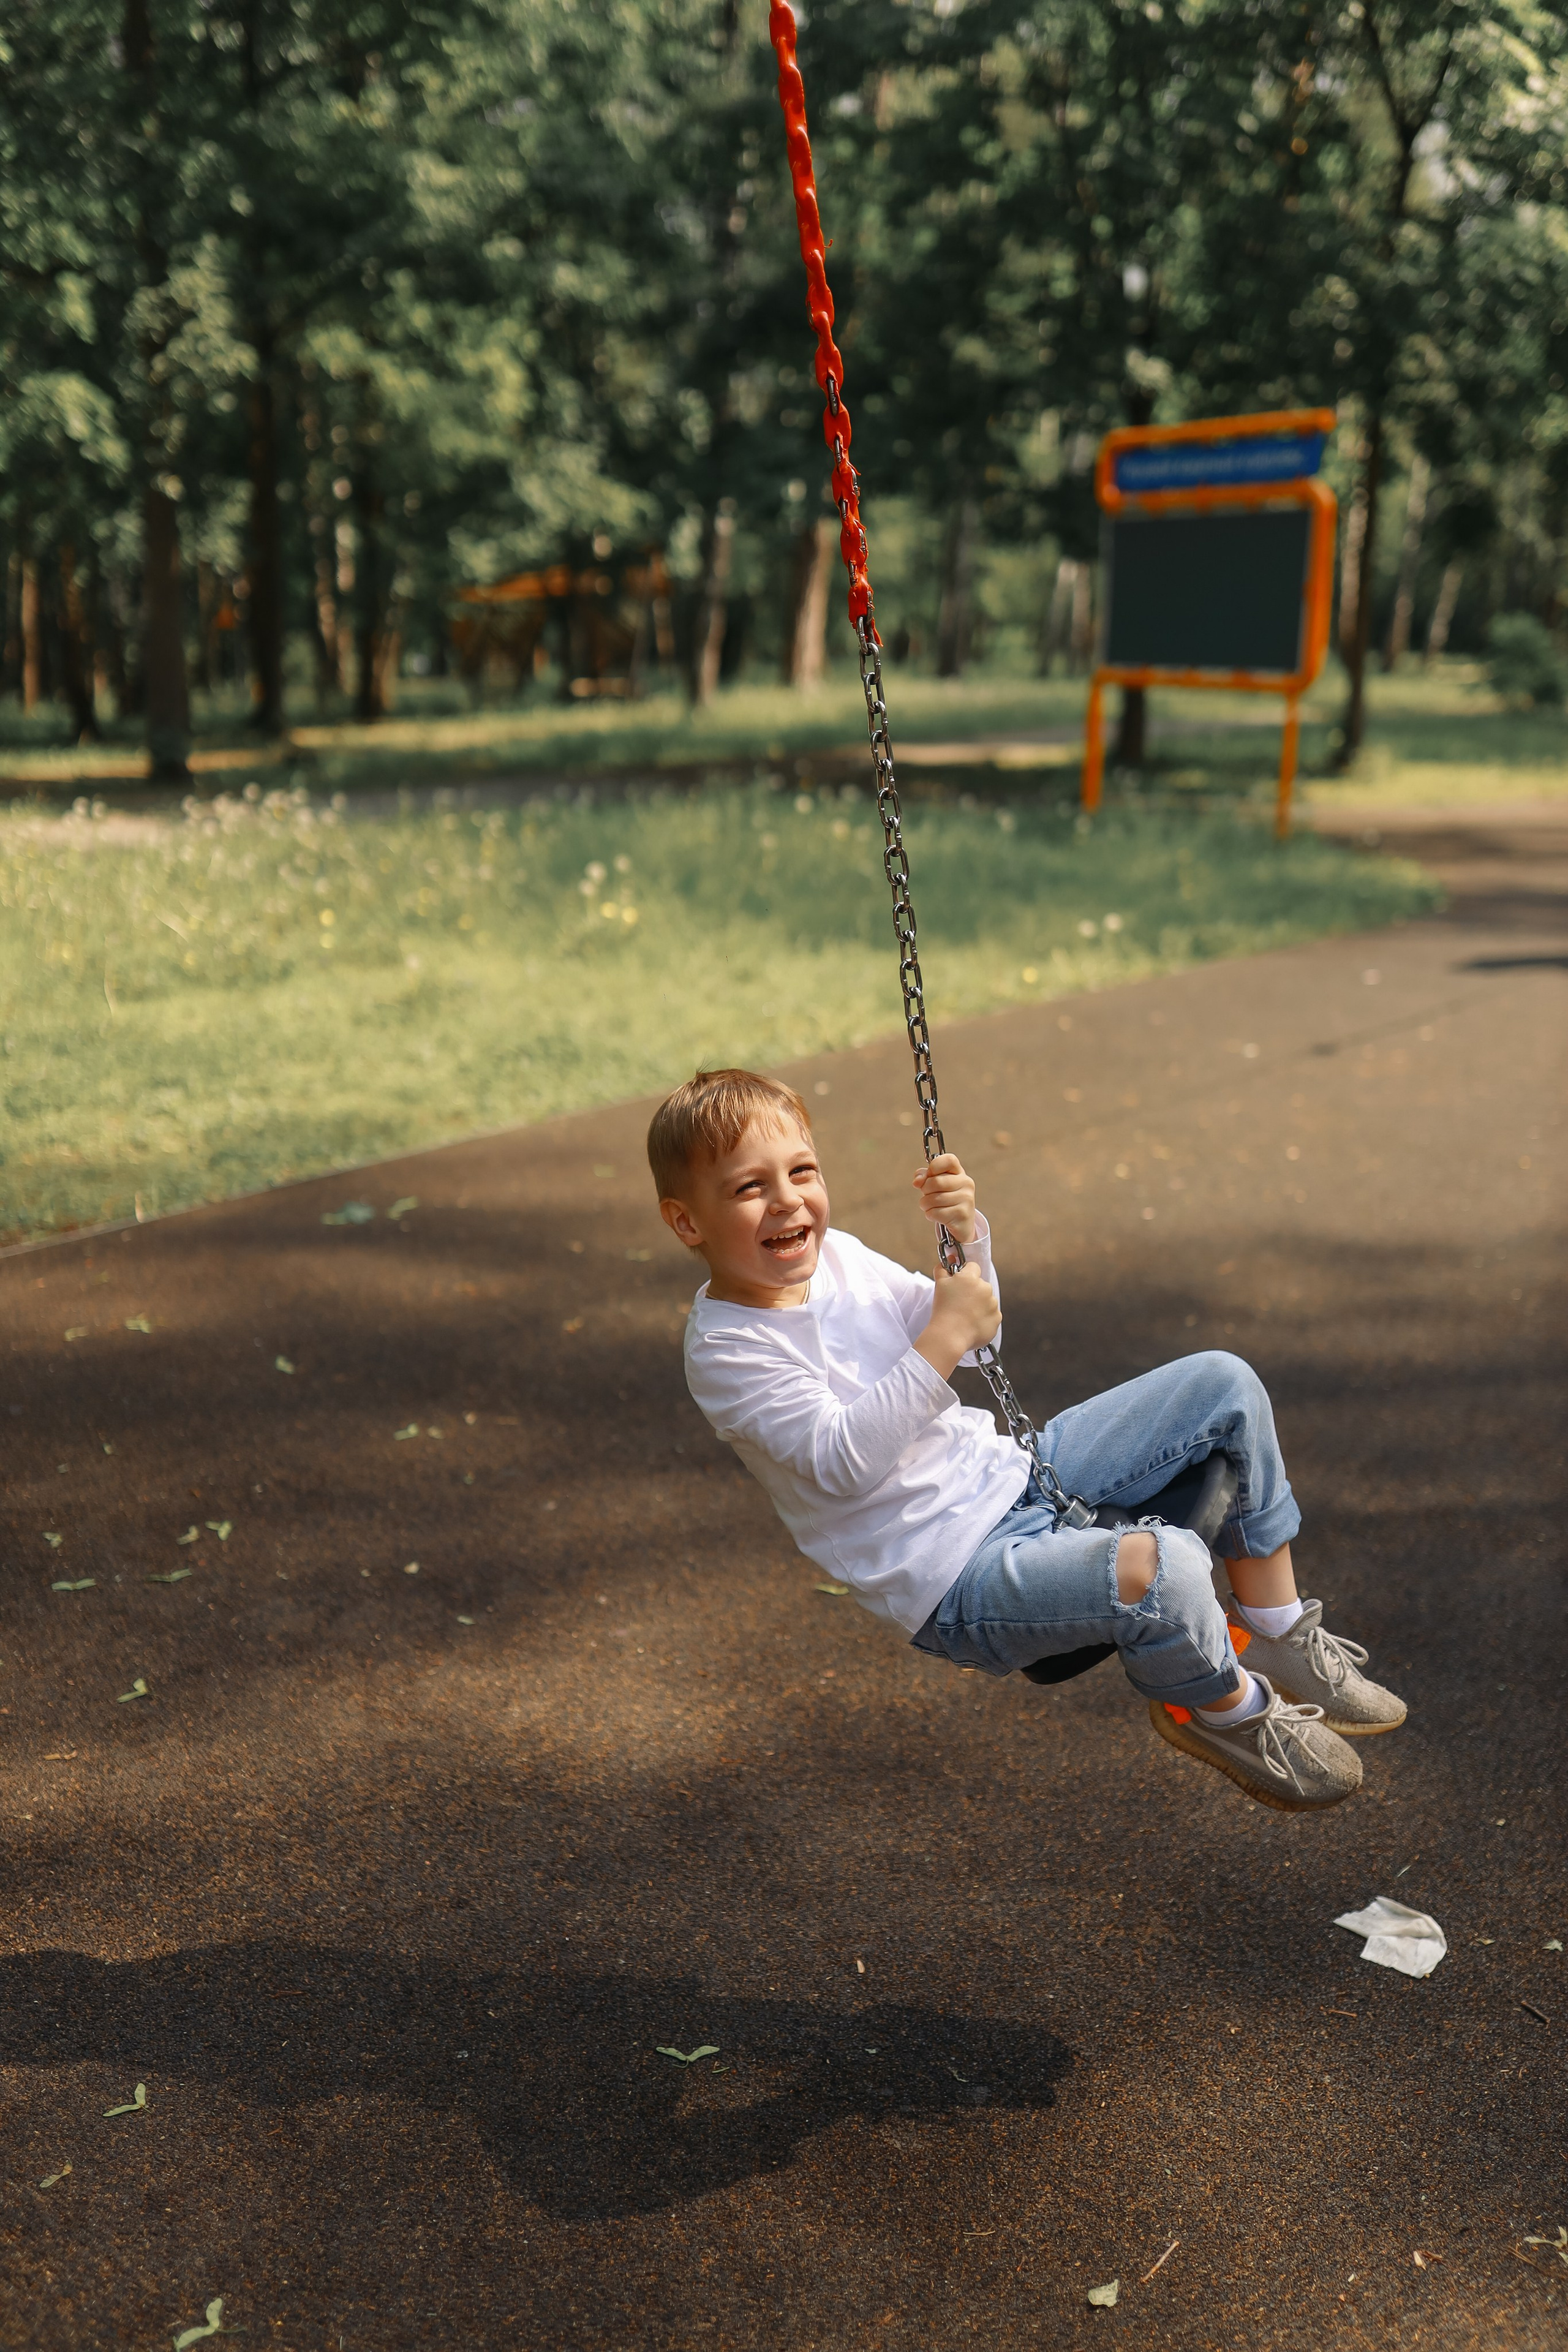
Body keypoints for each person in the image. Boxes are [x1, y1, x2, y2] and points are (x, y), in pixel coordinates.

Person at [650, 1067, 1406, 1813]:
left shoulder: (840, 1255)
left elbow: (978, 1342)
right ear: (687, 1222)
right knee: (1167, 1567)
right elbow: (843, 1463)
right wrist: (941, 1337)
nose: (788, 1199)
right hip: (954, 1575)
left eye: (801, 1171)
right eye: (750, 1188)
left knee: (1221, 1383)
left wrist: (966, 1241)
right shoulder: (727, 1350)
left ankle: (1275, 1630)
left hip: (1017, 1475)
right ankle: (1226, 1712)